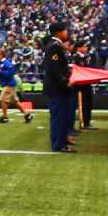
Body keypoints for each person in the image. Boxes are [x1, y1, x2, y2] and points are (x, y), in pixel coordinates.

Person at [40, 20, 75, 153]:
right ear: (58, 32)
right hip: (57, 88)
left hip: (59, 87)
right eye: (65, 30)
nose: (67, 32)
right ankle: (58, 145)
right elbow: (53, 68)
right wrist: (64, 81)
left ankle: (62, 140)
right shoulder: (54, 46)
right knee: (58, 116)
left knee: (62, 115)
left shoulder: (55, 45)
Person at [0, 51, 29, 124]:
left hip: (9, 84)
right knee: (16, 102)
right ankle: (27, 115)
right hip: (6, 84)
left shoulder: (7, 63)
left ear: (1, 55)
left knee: (2, 100)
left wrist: (0, 72)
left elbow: (11, 73)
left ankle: (5, 117)